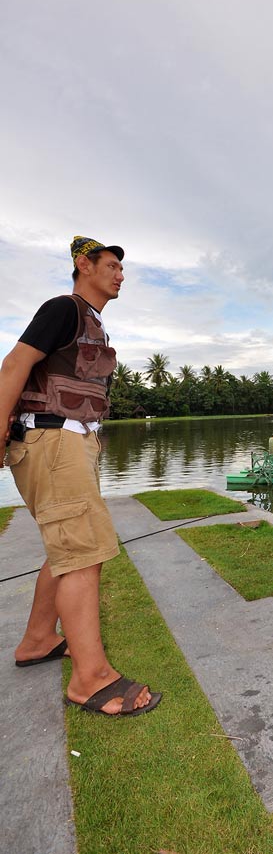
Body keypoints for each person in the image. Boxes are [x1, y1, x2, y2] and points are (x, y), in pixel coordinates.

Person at [0, 236, 161, 717]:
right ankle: (91, 680)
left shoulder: (93, 323)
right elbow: (14, 366)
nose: (120, 274)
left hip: (68, 443)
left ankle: (37, 640)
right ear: (82, 264)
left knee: (66, 548)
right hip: (52, 442)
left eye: (120, 268)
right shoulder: (63, 309)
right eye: (111, 265)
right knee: (83, 554)